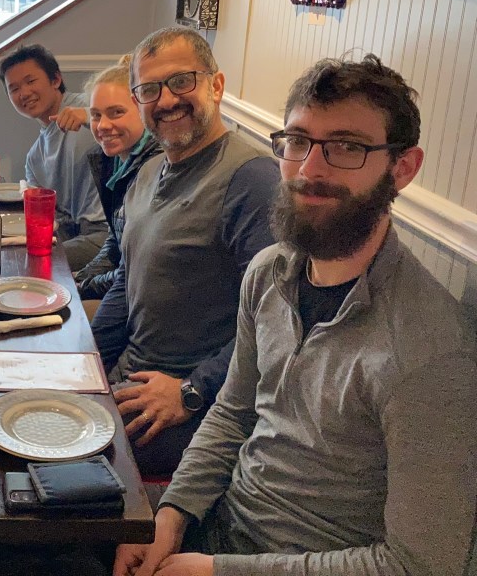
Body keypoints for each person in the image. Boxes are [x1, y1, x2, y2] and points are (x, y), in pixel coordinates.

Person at [114, 54, 477, 576]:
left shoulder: (431, 353)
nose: (310, 169)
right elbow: (232, 413)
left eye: (347, 147)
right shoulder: (269, 272)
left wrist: (216, 571)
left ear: (403, 168)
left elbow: (418, 564)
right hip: (219, 527)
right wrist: (170, 517)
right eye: (299, 141)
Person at [92, 26, 279, 477]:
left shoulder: (253, 180)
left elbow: (277, 322)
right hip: (130, 380)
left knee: (53, 453)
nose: (167, 100)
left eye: (181, 81)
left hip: (192, 406)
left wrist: (192, 390)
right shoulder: (148, 171)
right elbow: (127, 279)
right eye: (150, 89)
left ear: (216, 85)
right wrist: (87, 360)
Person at [0, 44, 108, 271]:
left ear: (56, 79)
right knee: (4, 253)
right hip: (71, 233)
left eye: (30, 81)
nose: (24, 93)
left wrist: (92, 117)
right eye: (14, 88)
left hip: (107, 234)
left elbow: (138, 125)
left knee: (30, 263)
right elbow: (45, 216)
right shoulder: (35, 157)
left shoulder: (93, 108)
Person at [73, 58, 161, 300]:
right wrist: (82, 278)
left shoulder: (156, 167)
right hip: (122, 285)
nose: (103, 125)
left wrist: (84, 287)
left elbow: (135, 269)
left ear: (143, 110)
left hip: (141, 296)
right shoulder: (112, 161)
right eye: (95, 115)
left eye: (117, 113)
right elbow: (116, 239)